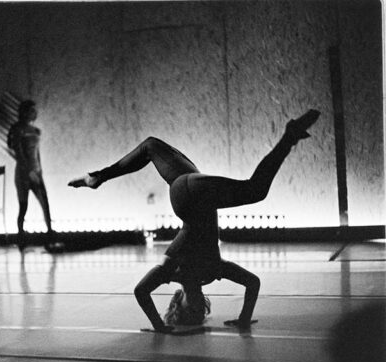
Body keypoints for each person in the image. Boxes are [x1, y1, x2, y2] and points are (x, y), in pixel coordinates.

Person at [69, 109, 320, 332]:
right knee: (151, 145)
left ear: (178, 302)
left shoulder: (174, 271)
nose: (198, 308)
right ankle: (96, 177)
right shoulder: (214, 271)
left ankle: (290, 136)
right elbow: (253, 283)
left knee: (254, 190)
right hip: (192, 185)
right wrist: (244, 319)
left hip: (187, 198)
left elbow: (141, 291)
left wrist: (159, 326)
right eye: (200, 312)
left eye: (191, 310)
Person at [8, 100, 62, 252]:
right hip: (23, 174)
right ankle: (21, 238)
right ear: (25, 112)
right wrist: (29, 172)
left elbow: (37, 153)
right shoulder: (18, 130)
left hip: (36, 171)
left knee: (45, 204)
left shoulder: (36, 131)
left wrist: (40, 170)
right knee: (23, 206)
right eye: (32, 110)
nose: (35, 113)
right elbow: (19, 153)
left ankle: (50, 236)